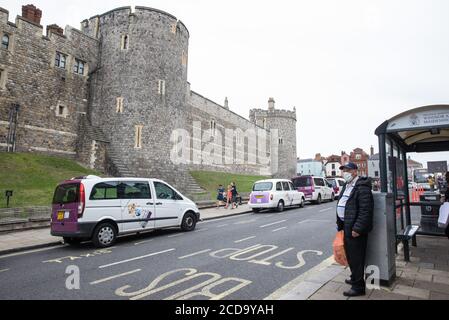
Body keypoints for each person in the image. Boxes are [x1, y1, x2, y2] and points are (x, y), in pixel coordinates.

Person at [336, 162, 374, 297]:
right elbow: (342, 204)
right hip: (346, 226)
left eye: (347, 170)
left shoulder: (362, 187)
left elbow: (366, 210)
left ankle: (358, 287)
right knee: (351, 256)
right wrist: (340, 225)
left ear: (355, 172)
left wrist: (358, 228)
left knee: (357, 258)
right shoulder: (347, 185)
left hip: (355, 229)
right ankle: (354, 277)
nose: (345, 172)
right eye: (343, 170)